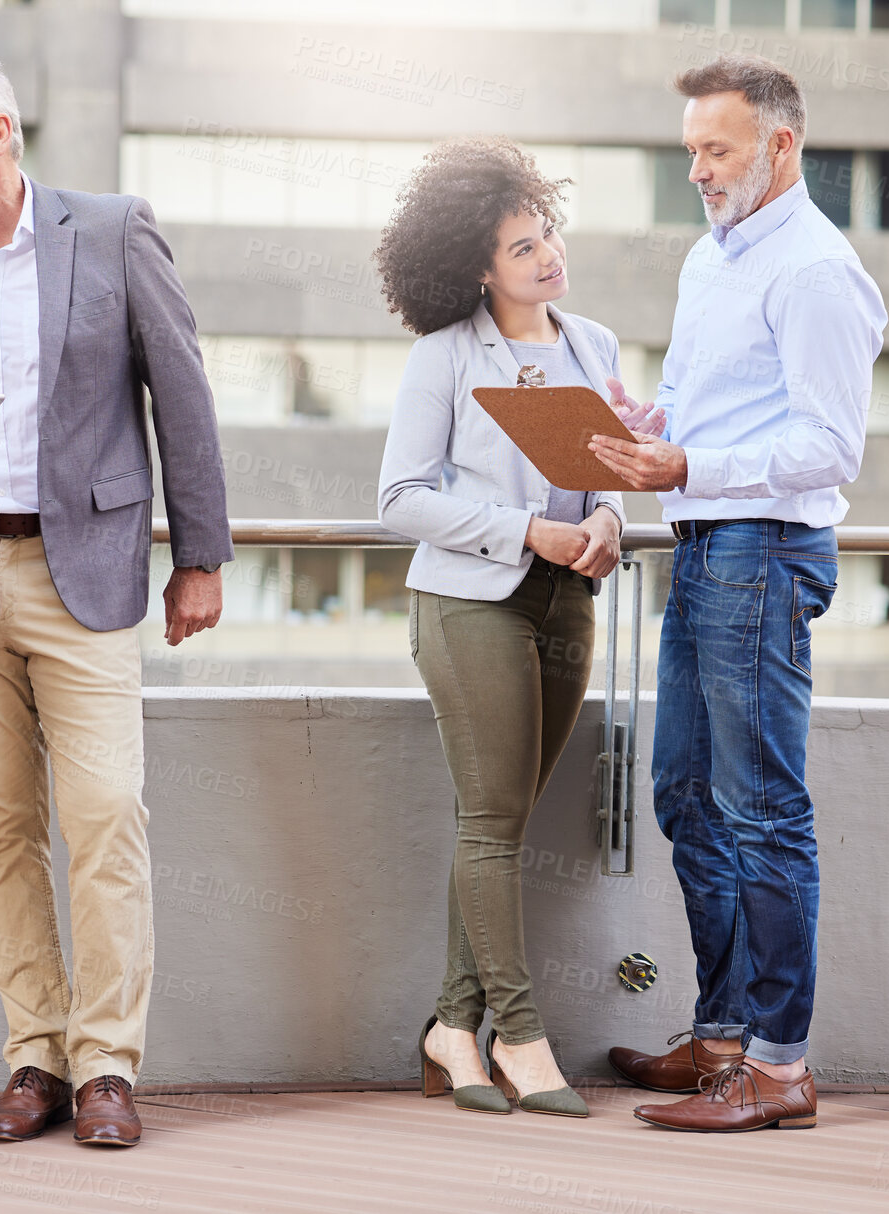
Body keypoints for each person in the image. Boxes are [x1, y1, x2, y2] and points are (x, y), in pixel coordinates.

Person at [0, 49, 232, 1148]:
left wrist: (198, 552)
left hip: (91, 565)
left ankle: (109, 1064)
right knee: (1, 819)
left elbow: (181, 389)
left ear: (0, 133)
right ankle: (37, 1055)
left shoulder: (109, 229)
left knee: (106, 812)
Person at [591, 55, 886, 1133]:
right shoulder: (710, 258)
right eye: (689, 152)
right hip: (704, 542)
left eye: (715, 149)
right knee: (681, 792)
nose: (697, 170)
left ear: (779, 146)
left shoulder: (813, 268)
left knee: (761, 807)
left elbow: (826, 445)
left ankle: (775, 1064)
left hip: (760, 551)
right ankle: (720, 1031)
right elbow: (692, 403)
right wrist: (649, 428)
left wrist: (690, 469)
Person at [376, 138, 626, 1120]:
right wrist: (525, 528)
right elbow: (398, 494)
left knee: (502, 821)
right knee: (490, 820)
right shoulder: (442, 355)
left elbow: (609, 466)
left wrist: (604, 519)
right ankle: (517, 1034)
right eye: (521, 247)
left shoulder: (592, 344)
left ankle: (447, 1027)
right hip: (468, 600)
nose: (545, 255)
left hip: (568, 601)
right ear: (478, 267)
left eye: (546, 231)